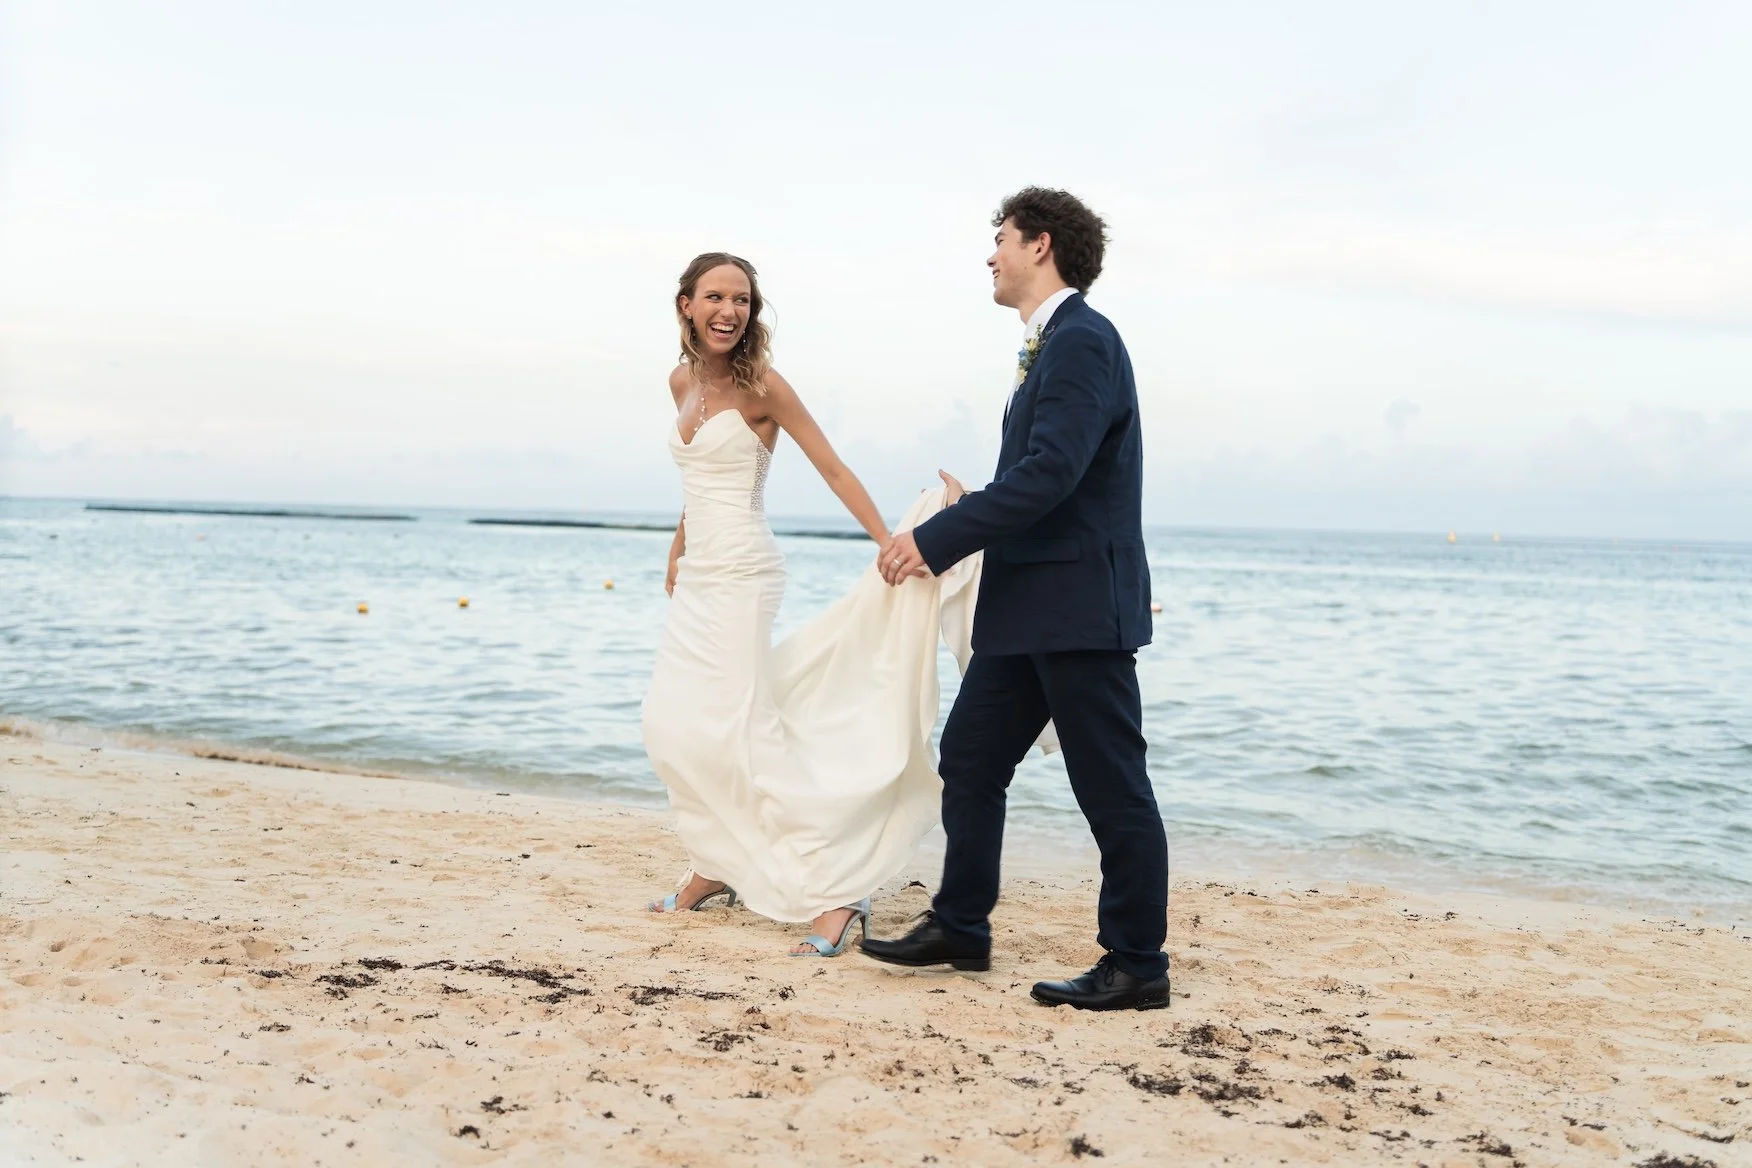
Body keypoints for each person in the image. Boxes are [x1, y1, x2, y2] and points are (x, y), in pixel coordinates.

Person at [861, 188, 1170, 1011]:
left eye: (998, 239)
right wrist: (978, 501)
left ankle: (1138, 962)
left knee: (1112, 785)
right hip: (1028, 605)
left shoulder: (1083, 341)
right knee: (969, 758)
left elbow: (1053, 474)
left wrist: (939, 537)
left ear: (1039, 245)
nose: (989, 255)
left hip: (1075, 606)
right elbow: (1045, 475)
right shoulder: (1054, 344)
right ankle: (962, 925)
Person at [640, 252, 965, 957]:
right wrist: (677, 546)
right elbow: (699, 482)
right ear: (686, 306)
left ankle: (836, 896)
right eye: (716, 297)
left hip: (744, 574)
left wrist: (889, 541)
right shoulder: (680, 382)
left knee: (740, 732)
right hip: (698, 573)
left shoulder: (765, 388)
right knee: (672, 725)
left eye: (743, 300)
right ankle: (716, 861)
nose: (731, 311)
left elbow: (832, 467)